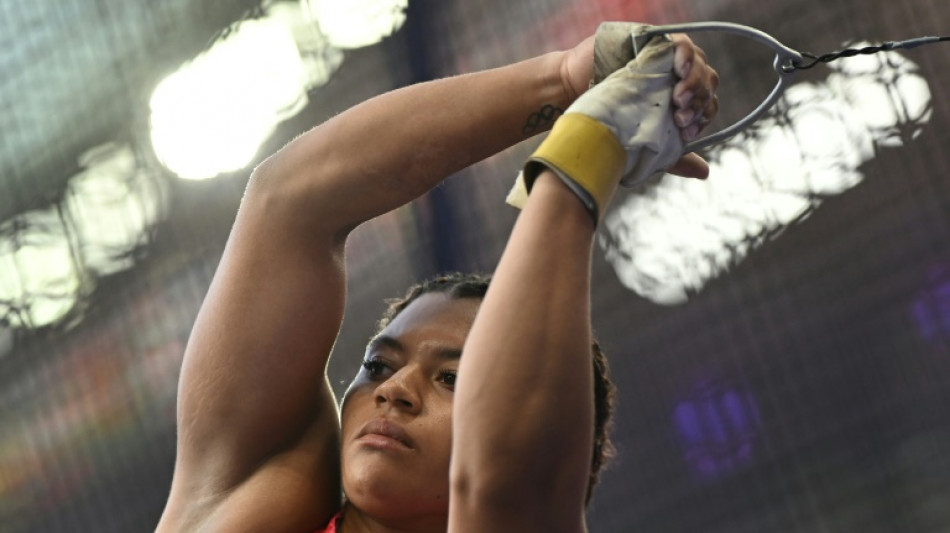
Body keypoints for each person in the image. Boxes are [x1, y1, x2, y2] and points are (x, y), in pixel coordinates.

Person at [155, 20, 719, 533]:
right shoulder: (258, 501)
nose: (394, 391)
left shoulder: (521, 505)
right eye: (378, 366)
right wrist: (564, 77)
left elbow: (502, 483)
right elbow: (288, 202)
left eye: (452, 378)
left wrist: (594, 140)